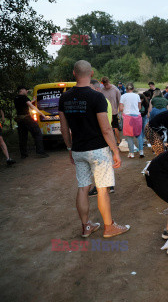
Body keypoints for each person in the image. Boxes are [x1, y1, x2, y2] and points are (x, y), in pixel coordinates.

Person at [59, 60, 130, 238]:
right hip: (98, 150)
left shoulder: (64, 98)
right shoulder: (97, 97)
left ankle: (86, 227)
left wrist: (69, 148)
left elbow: (63, 128)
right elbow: (106, 129)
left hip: (78, 149)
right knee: (102, 189)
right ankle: (109, 227)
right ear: (91, 74)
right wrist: (115, 151)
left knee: (83, 187)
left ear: (74, 74)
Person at [14, 85, 49, 158]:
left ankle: (23, 155)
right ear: (22, 90)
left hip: (20, 120)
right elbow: (31, 106)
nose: (27, 91)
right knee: (37, 133)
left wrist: (32, 100)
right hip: (27, 119)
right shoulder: (24, 97)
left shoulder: (16, 98)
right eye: (26, 90)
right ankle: (40, 152)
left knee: (22, 137)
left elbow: (25, 104)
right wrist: (42, 114)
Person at [120, 83, 143, 158]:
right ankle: (141, 152)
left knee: (129, 135)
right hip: (136, 116)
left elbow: (120, 108)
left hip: (127, 117)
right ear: (133, 89)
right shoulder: (137, 96)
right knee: (139, 134)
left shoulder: (123, 96)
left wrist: (125, 110)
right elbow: (139, 107)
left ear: (126, 89)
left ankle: (131, 153)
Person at [100, 77, 121, 144]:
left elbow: (120, 100)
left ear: (109, 82)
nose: (106, 86)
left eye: (107, 84)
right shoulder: (102, 90)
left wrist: (119, 111)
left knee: (115, 127)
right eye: (104, 85)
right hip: (104, 112)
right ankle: (107, 142)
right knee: (106, 128)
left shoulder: (115, 89)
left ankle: (118, 141)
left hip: (114, 112)